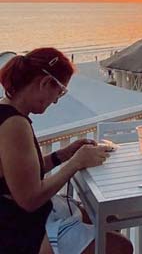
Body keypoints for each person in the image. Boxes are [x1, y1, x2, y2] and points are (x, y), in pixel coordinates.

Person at [0, 48, 132, 254]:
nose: (56, 100)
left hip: (25, 215)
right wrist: (76, 162)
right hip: (19, 228)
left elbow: (21, 175)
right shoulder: (14, 124)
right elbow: (29, 199)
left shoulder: (8, 113)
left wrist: (63, 155)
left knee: (108, 219)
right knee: (121, 246)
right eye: (59, 91)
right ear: (44, 83)